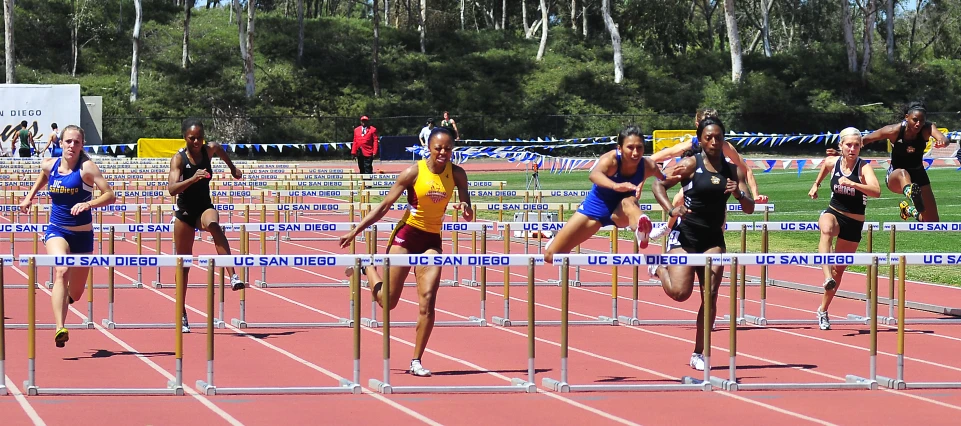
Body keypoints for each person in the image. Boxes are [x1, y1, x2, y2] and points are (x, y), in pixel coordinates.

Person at [339, 127, 472, 377]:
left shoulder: (457, 174)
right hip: (406, 236)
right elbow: (384, 206)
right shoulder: (413, 172)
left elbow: (468, 206)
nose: (443, 152)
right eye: (438, 148)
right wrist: (355, 231)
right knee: (387, 303)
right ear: (429, 149)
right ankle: (367, 266)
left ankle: (416, 360)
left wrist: (466, 207)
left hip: (432, 240)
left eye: (448, 148)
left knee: (429, 301)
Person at [650, 116, 755, 371]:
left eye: (718, 137)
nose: (714, 141)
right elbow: (658, 184)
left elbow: (750, 208)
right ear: (700, 139)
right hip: (686, 237)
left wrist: (739, 193)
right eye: (708, 137)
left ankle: (699, 352)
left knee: (710, 295)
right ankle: (659, 268)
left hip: (712, 239)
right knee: (680, 293)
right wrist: (670, 210)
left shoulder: (733, 170)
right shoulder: (689, 164)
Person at [18, 125, 116, 348]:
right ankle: (60, 327)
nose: (72, 146)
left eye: (77, 142)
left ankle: (66, 299)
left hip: (83, 236)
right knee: (61, 270)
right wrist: (29, 197)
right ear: (60, 143)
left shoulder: (87, 168)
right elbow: (43, 177)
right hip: (57, 231)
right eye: (68, 141)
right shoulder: (50, 165)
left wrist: (88, 203)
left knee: (77, 293)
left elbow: (111, 195)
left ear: (82, 145)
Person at [543, 125, 667, 264]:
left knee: (629, 202)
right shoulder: (611, 160)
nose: (635, 153)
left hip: (622, 210)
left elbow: (664, 179)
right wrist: (616, 186)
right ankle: (557, 240)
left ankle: (642, 228)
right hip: (596, 207)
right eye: (630, 147)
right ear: (619, 148)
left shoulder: (648, 166)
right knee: (551, 256)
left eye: (639, 147)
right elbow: (594, 175)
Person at [167, 118, 245, 333]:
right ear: (185, 137)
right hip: (184, 213)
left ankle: (233, 275)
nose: (196, 141)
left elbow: (220, 149)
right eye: (192, 138)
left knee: (214, 224)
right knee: (184, 265)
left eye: (199, 137)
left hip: (203, 208)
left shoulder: (209, 150)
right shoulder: (179, 160)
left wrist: (233, 168)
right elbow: (172, 189)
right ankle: (181, 311)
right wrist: (192, 178)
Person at [648, 109, 767, 240]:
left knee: (717, 233)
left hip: (718, 190)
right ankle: (668, 227)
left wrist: (755, 195)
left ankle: (714, 249)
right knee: (679, 197)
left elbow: (746, 169)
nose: (713, 142)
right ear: (697, 125)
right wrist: (642, 163)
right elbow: (668, 154)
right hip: (697, 185)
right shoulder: (691, 143)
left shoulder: (724, 145)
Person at [808, 127, 880, 331]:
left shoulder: (863, 168)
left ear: (860, 147)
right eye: (848, 145)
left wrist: (853, 184)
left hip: (854, 223)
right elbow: (825, 166)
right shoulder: (833, 162)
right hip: (834, 212)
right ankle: (826, 277)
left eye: (856, 145)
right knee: (827, 228)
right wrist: (816, 185)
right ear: (841, 146)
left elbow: (876, 192)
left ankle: (822, 310)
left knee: (839, 269)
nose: (852, 148)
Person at [828, 101, 948, 222]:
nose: (918, 124)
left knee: (932, 221)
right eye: (915, 120)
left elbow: (943, 138)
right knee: (903, 173)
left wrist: (942, 142)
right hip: (896, 175)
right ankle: (911, 193)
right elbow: (863, 140)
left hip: (919, 174)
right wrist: (842, 152)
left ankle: (908, 210)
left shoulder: (927, 128)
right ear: (907, 117)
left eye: (921, 121)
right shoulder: (893, 131)